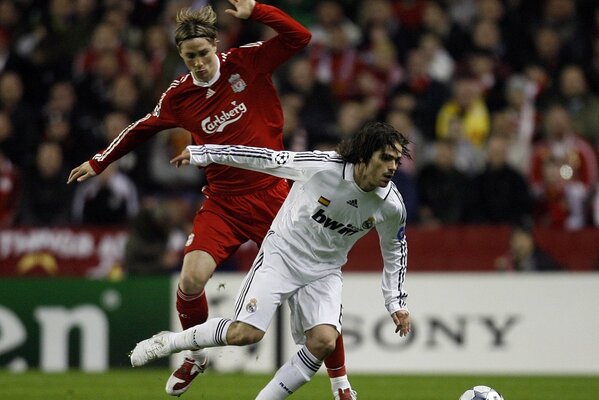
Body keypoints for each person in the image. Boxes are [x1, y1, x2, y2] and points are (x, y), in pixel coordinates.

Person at [66, 1, 355, 398]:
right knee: (190, 279)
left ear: (215, 46)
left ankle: (341, 383)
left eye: (203, 54)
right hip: (223, 201)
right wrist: (99, 162)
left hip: (275, 198)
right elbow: (141, 128)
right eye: (189, 57)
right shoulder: (179, 96)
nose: (198, 63)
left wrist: (258, 11)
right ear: (181, 58)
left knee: (314, 285)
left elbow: (299, 37)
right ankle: (195, 354)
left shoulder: (246, 63)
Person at [130, 121, 412, 399]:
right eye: (385, 158)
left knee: (324, 341)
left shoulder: (391, 205)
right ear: (364, 155)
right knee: (245, 334)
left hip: (325, 270)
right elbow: (263, 159)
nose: (392, 167)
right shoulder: (324, 167)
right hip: (283, 254)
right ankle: (169, 342)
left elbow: (395, 250)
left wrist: (395, 302)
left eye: (396, 161)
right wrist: (204, 153)